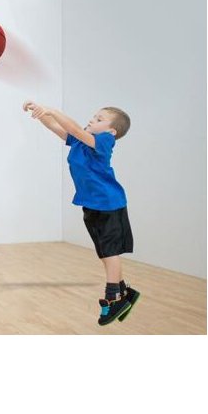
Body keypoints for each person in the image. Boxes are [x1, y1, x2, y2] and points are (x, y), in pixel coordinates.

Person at [23, 101, 140, 325]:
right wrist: (40, 112)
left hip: (108, 204)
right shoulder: (81, 142)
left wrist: (53, 110)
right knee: (104, 252)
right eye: (93, 116)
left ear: (111, 131)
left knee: (111, 252)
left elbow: (74, 129)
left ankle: (114, 297)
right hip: (91, 204)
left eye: (99, 119)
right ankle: (124, 291)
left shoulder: (104, 141)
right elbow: (56, 127)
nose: (92, 120)